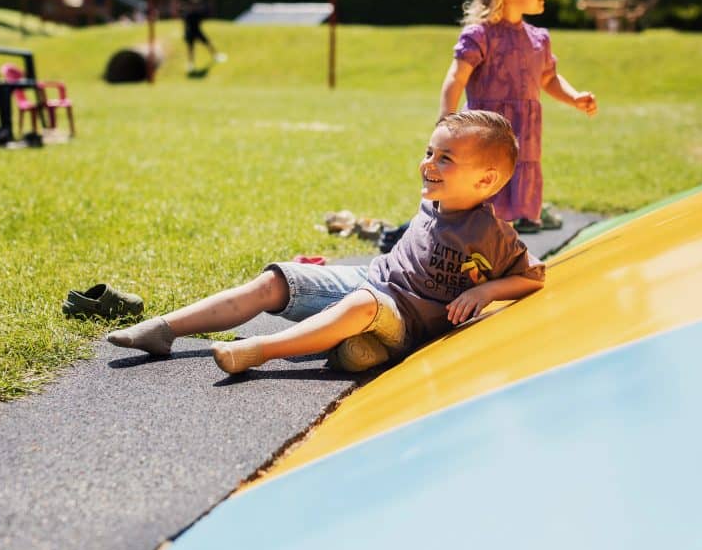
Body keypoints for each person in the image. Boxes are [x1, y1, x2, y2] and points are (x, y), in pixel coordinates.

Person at [107, 110, 546, 375]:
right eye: (430, 151)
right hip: (370, 280)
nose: (427, 164)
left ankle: (259, 352)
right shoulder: (435, 199)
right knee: (276, 279)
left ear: (485, 180)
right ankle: (165, 330)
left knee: (361, 308)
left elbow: (533, 276)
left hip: (405, 317)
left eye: (444, 158)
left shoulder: (491, 233)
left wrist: (486, 290)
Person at [438, 0, 598, 233]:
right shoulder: (480, 35)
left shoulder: (538, 39)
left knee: (516, 192)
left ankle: (513, 235)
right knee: (483, 190)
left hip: (523, 138)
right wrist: (446, 121)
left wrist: (574, 97)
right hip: (487, 136)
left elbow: (548, 77)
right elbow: (456, 77)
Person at [182, 0, 224, 71]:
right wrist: (185, 34)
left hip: (197, 31)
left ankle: (216, 56)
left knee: (208, 43)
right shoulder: (188, 12)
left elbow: (206, 14)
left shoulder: (198, 11)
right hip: (190, 32)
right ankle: (191, 64)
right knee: (191, 49)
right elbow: (185, 24)